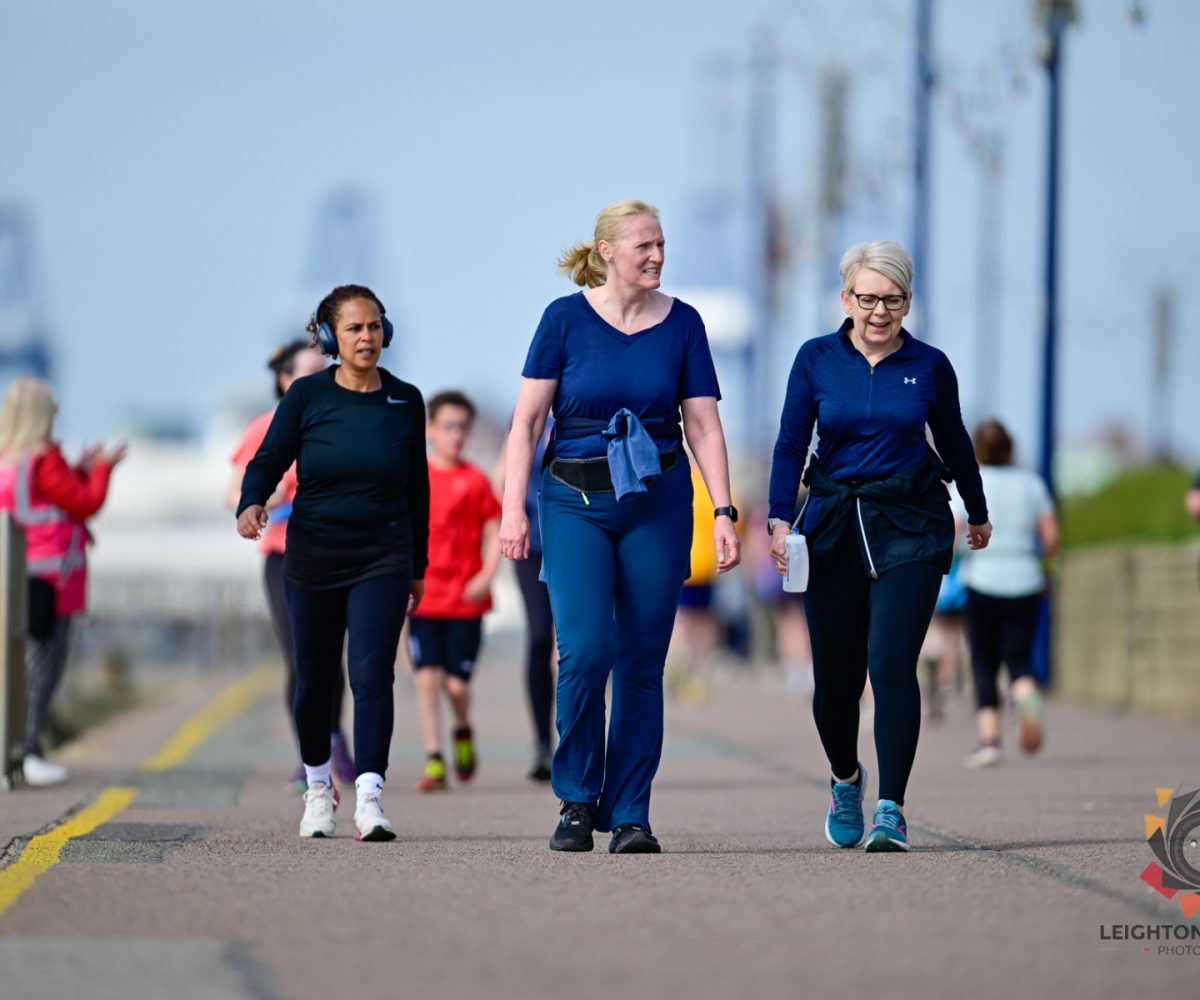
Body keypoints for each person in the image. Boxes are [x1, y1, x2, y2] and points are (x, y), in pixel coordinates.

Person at [499, 199, 741, 854]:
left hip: (657, 503)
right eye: (644, 246)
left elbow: (703, 426)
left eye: (661, 244)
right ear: (607, 251)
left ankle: (631, 812)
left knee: (641, 660)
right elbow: (526, 423)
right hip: (574, 502)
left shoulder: (683, 324)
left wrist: (723, 511)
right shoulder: (563, 320)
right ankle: (577, 799)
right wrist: (513, 508)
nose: (658, 256)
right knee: (584, 651)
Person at [768, 240, 991, 852]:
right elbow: (790, 444)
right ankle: (845, 779)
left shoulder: (929, 365)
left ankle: (891, 808)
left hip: (910, 524)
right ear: (846, 299)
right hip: (834, 526)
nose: (879, 312)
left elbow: (955, 439)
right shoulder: (816, 359)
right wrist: (780, 520)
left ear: (908, 303)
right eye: (867, 299)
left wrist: (977, 511)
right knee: (835, 683)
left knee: (892, 662)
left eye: (892, 300)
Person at [237, 285, 428, 842]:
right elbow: (268, 459)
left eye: (374, 326)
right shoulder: (306, 396)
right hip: (315, 556)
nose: (367, 337)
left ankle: (369, 796)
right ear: (329, 337)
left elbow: (418, 489)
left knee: (371, 674)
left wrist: (418, 566)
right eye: (353, 328)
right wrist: (252, 502)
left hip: (383, 555)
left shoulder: (406, 400)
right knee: (314, 680)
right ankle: (319, 788)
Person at [227, 340, 356, 792]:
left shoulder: (343, 420)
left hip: (336, 553)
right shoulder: (264, 427)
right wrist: (265, 498)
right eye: (310, 370)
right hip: (283, 555)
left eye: (325, 369)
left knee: (331, 655)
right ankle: (311, 754)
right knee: (301, 658)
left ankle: (334, 738)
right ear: (285, 380)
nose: (322, 377)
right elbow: (233, 494)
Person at [0, 378, 124, 786]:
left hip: (14, 576)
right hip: (52, 580)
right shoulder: (44, 458)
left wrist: (78, 469)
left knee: (12, 669)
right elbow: (84, 502)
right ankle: (27, 752)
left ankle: (13, 751)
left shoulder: (7, 459)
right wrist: (103, 468)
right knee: (42, 670)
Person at [408, 390, 501, 792]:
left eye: (463, 427)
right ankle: (434, 759)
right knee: (427, 678)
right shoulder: (415, 478)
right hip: (425, 596)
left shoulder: (475, 481)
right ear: (430, 429)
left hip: (466, 600)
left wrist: (487, 576)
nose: (456, 435)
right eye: (448, 426)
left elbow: (495, 530)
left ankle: (462, 728)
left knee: (456, 685)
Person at [957, 419, 1059, 767]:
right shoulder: (1032, 484)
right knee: (1019, 659)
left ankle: (990, 742)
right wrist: (1046, 571)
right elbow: (1051, 538)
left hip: (982, 577)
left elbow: (953, 528)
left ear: (977, 450)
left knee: (983, 661)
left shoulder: (968, 482)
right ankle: (1028, 706)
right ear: (1010, 448)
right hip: (1025, 578)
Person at [493, 418, 556, 781]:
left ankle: (576, 742)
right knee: (539, 638)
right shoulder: (524, 417)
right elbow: (499, 480)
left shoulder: (583, 405)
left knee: (574, 647)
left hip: (576, 539)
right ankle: (542, 744)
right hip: (531, 545)